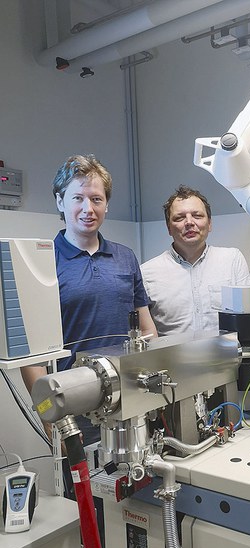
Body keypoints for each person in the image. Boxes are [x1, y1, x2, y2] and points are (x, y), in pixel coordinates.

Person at [21, 154, 157, 444]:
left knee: (136, 486)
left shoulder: (125, 257)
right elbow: (31, 359)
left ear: (106, 204)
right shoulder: (42, 261)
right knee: (79, 488)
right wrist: (51, 416)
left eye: (96, 199)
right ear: (60, 202)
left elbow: (148, 331)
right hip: (72, 408)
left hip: (128, 400)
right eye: (77, 198)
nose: (88, 209)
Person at [141, 184, 250, 335]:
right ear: (168, 228)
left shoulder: (232, 260)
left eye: (197, 216)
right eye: (179, 218)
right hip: (171, 358)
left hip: (227, 356)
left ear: (210, 223)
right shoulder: (146, 273)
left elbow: (249, 315)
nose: (189, 222)